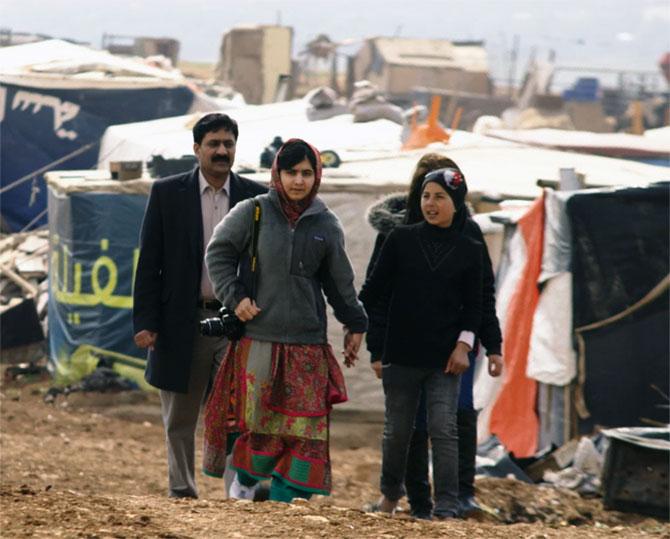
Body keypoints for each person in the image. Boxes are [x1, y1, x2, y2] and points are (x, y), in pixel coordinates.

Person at [202, 138, 368, 503]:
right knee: (261, 426)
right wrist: (236, 297)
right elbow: (219, 253)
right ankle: (244, 486)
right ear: (277, 173)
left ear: (317, 176)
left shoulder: (326, 223)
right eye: (291, 172)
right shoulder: (254, 212)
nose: (298, 181)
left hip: (308, 345)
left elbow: (340, 284)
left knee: (305, 431)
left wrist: (356, 324)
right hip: (260, 339)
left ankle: (286, 507)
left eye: (307, 173)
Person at [133, 113, 267, 499]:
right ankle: (182, 489)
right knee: (180, 414)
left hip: (237, 323)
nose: (222, 151)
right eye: (214, 144)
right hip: (182, 320)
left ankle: (236, 492)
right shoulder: (166, 194)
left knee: (236, 412)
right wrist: (146, 321)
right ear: (197, 149)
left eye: (228, 144)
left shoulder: (256, 199)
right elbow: (150, 263)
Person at [364, 153, 503, 519]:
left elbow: (481, 297)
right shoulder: (397, 235)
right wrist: (374, 345)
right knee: (404, 430)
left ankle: (454, 500)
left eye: (441, 192)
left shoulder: (469, 238)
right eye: (426, 189)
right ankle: (415, 499)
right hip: (404, 347)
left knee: (450, 423)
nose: (431, 201)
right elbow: (375, 295)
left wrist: (485, 343)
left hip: (451, 349)